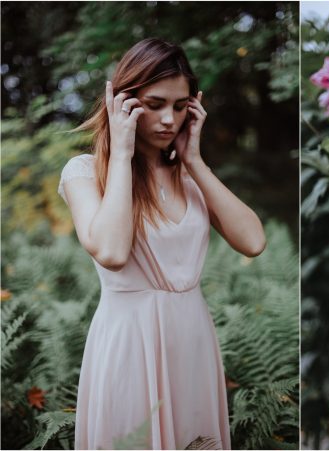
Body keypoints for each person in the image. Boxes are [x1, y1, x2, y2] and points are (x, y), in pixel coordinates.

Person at [58, 38, 266, 450]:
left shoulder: (189, 178)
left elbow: (254, 240)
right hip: (128, 343)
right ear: (124, 102)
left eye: (180, 105)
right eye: (154, 104)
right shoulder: (84, 173)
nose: (169, 119)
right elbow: (113, 253)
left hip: (192, 341)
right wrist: (121, 154)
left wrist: (194, 161)